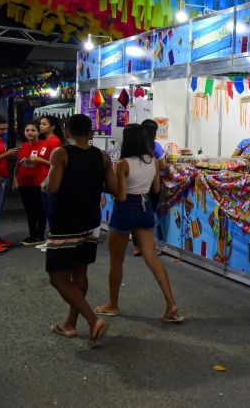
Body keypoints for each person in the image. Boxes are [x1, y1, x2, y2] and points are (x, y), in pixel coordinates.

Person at [94, 124, 183, 323]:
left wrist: (105, 188)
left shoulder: (123, 163)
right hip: (145, 209)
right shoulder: (152, 161)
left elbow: (122, 196)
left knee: (116, 261)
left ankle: (113, 304)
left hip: (125, 210)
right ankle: (171, 305)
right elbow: (156, 188)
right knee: (152, 258)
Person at [42, 114, 115, 346]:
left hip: (66, 222)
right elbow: (112, 187)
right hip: (91, 221)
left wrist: (43, 184)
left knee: (57, 276)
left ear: (66, 132)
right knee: (79, 273)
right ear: (91, 133)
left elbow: (52, 187)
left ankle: (93, 320)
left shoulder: (61, 153)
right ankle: (70, 324)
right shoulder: (102, 157)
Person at [13, 121, 48, 246]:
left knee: (39, 210)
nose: (30, 133)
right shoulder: (22, 146)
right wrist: (15, 180)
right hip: (24, 183)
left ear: (38, 132)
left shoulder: (44, 145)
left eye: (33, 130)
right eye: (27, 130)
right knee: (29, 211)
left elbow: (52, 164)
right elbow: (18, 165)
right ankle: (32, 234)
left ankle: (40, 235)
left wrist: (38, 160)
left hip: (38, 183)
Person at [137, 119, 168, 256]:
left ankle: (137, 247)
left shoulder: (135, 145)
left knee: (139, 214)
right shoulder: (155, 146)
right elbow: (163, 166)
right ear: (154, 132)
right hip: (151, 185)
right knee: (150, 216)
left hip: (136, 185)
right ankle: (150, 247)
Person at [34, 115, 64, 250]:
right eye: (40, 124)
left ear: (52, 127)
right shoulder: (46, 141)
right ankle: (51, 239)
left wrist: (38, 160)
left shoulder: (54, 141)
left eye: (44, 124)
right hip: (42, 181)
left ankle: (56, 240)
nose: (40, 126)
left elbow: (55, 163)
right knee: (48, 211)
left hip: (50, 181)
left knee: (53, 211)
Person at [0, 114, 18, 253]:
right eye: (1, 129)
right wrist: (6, 154)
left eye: (6, 129)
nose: (4, 132)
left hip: (2, 178)